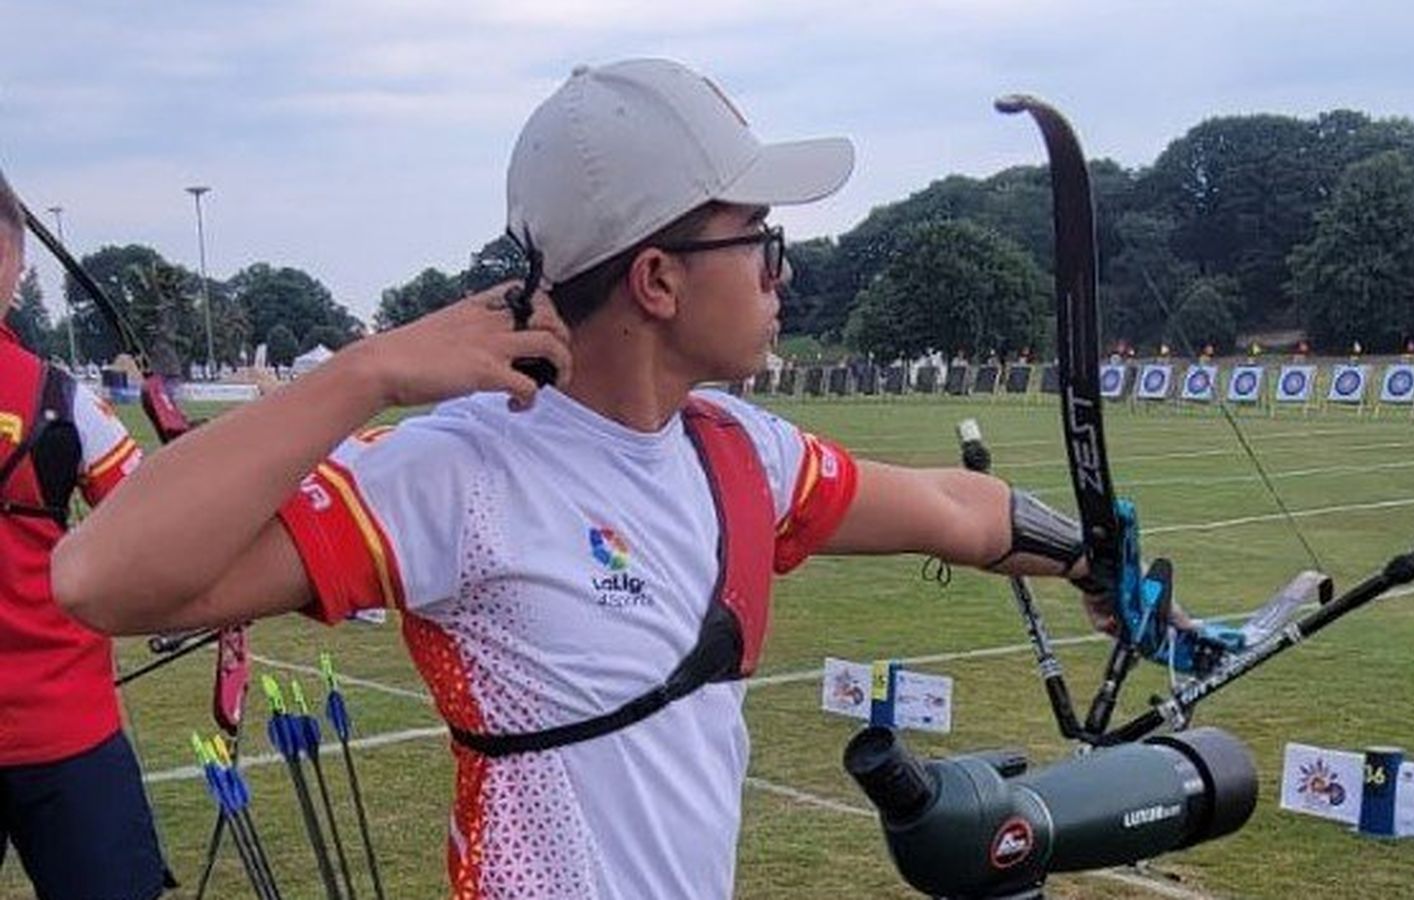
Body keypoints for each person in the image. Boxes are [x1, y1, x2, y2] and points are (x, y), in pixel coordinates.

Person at [54, 59, 1107, 898]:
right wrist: (366, 374)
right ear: (656, 280)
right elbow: (102, 578)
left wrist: (1089, 557)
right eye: (760, 242)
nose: (781, 276)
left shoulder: (739, 449)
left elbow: (950, 509)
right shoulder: (462, 468)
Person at [0, 169, 170, 899]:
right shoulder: (58, 397)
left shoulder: (61, 400)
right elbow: (164, 532)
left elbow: (159, 530)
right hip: (68, 735)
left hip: (65, 731)